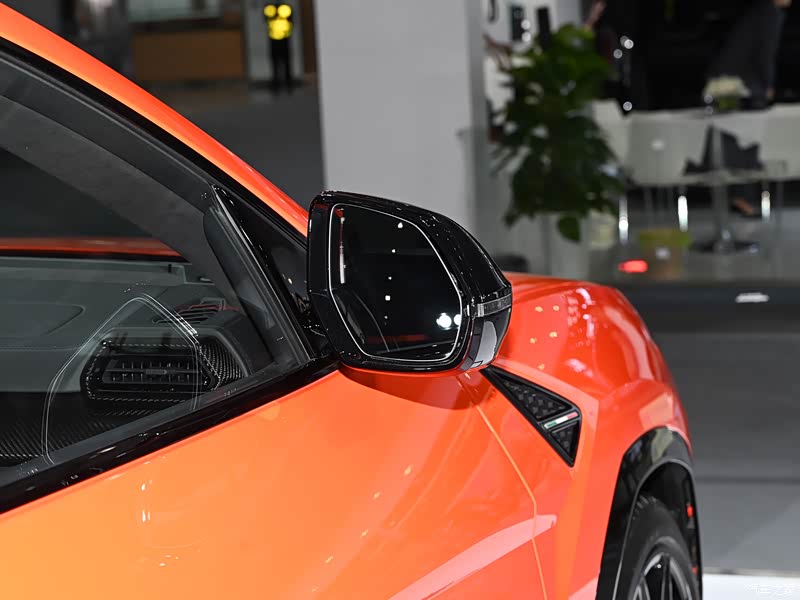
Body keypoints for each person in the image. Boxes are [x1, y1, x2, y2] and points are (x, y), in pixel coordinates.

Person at [707, 0, 791, 216]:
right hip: (739, 85)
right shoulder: (768, 14)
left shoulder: (760, 12)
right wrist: (767, 84)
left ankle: (739, 194)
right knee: (747, 138)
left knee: (738, 137)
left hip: (730, 82)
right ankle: (741, 195)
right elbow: (765, 52)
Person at [264, 3, 294, 93]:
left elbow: (291, 21)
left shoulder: (285, 9)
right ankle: (277, 85)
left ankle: (288, 84)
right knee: (276, 65)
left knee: (286, 65)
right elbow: (265, 19)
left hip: (284, 43)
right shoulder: (270, 9)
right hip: (275, 43)